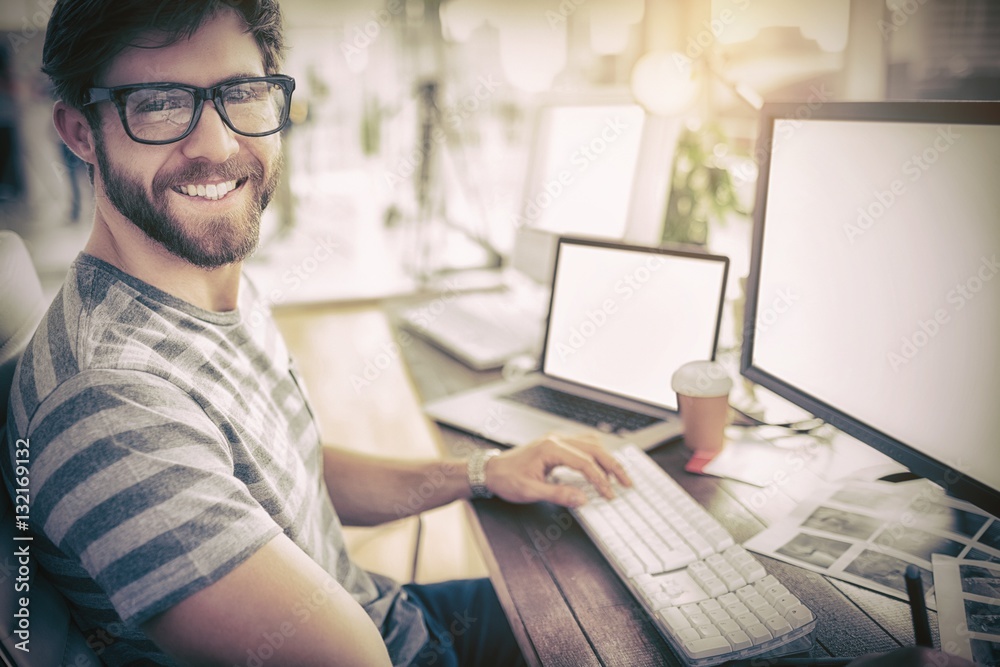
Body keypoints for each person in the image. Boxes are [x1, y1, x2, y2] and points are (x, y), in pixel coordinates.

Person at [4, 1, 630, 665]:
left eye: (241, 94)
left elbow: (292, 477)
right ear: (79, 132)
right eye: (158, 103)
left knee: (638, 601)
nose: (216, 145)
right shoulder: (110, 404)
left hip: (398, 617)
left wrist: (481, 470)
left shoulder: (208, 281)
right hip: (402, 651)